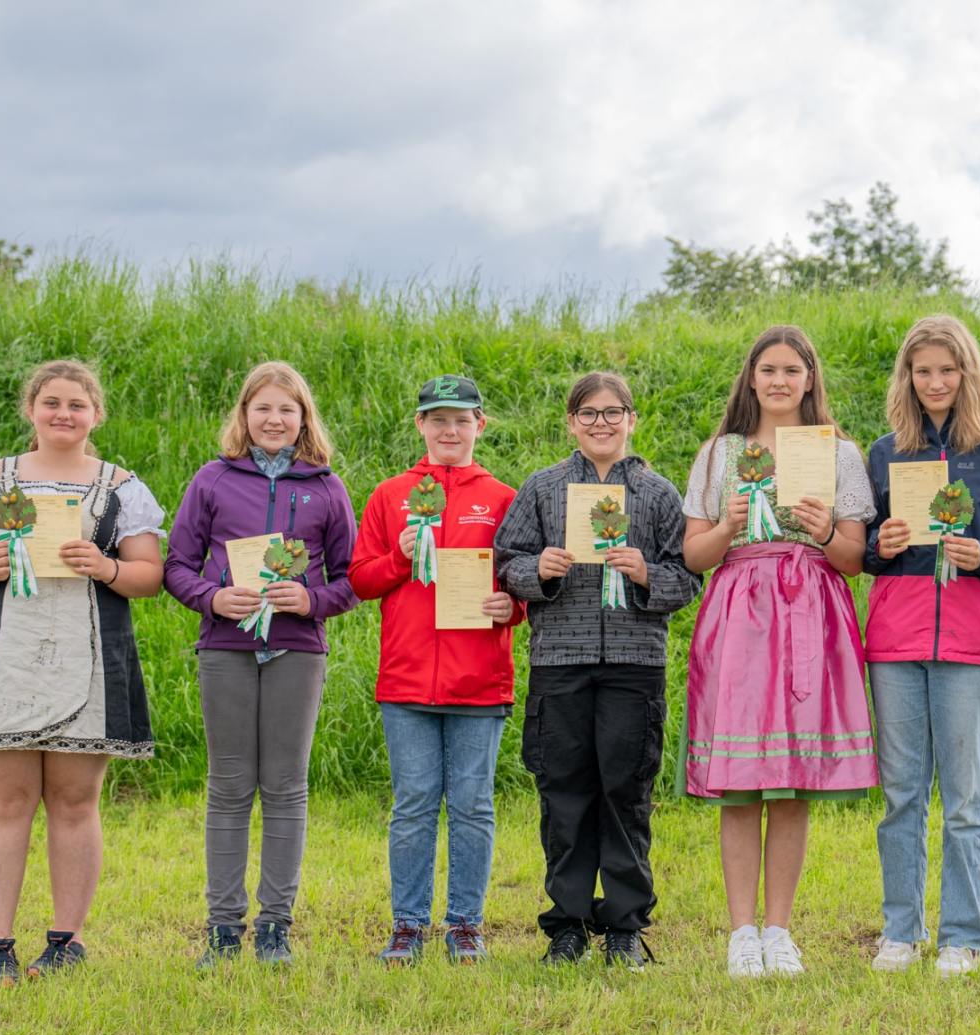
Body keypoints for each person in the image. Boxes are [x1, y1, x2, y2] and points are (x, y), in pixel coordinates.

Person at [0, 360, 165, 984]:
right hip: (8, 655)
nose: (64, 414)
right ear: (32, 410)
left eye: (77, 405)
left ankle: (67, 942)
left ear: (96, 414)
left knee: (74, 801)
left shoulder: (122, 488)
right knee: (5, 802)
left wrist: (106, 566)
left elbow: (149, 574)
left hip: (90, 655)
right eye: (52, 403)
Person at [682, 325, 877, 978]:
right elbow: (694, 555)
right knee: (741, 781)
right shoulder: (720, 453)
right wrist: (730, 525)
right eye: (768, 369)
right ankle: (741, 933)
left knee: (792, 777)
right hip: (739, 608)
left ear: (810, 379)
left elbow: (854, 560)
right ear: (752, 377)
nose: (779, 381)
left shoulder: (838, 455)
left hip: (811, 610)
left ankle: (779, 931)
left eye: (793, 370)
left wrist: (825, 531)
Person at [493, 371, 700, 969]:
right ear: (571, 422)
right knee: (564, 792)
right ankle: (567, 925)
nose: (601, 423)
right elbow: (508, 562)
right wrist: (543, 571)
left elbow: (686, 577)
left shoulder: (659, 495)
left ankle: (625, 926)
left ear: (632, 420)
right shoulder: (542, 489)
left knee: (625, 792)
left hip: (635, 665)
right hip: (561, 660)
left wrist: (644, 575)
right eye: (588, 413)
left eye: (613, 413)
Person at [864, 315, 980, 978]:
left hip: (971, 639)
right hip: (894, 640)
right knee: (902, 792)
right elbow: (867, 549)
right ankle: (900, 932)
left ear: (967, 374)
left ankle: (963, 935)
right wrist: (880, 547)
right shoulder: (885, 453)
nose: (935, 382)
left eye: (947, 369)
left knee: (964, 797)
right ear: (907, 379)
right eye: (923, 371)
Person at [164, 361, 359, 968]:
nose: (274, 420)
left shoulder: (326, 487)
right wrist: (214, 598)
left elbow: (354, 578)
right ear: (244, 415)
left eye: (287, 410)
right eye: (263, 408)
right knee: (228, 787)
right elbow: (176, 565)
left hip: (297, 652)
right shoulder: (214, 480)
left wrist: (313, 600)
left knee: (285, 787)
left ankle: (275, 926)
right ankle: (223, 929)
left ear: (304, 419)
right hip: (225, 649)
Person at [349, 375, 522, 966]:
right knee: (415, 802)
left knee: (473, 804)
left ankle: (466, 924)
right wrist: (400, 552)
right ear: (420, 425)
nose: (450, 429)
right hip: (408, 678)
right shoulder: (390, 494)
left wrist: (513, 605)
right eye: (438, 419)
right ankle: (408, 924)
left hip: (479, 680)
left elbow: (521, 578)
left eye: (462, 419)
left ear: (480, 424)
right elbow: (361, 579)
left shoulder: (503, 497)